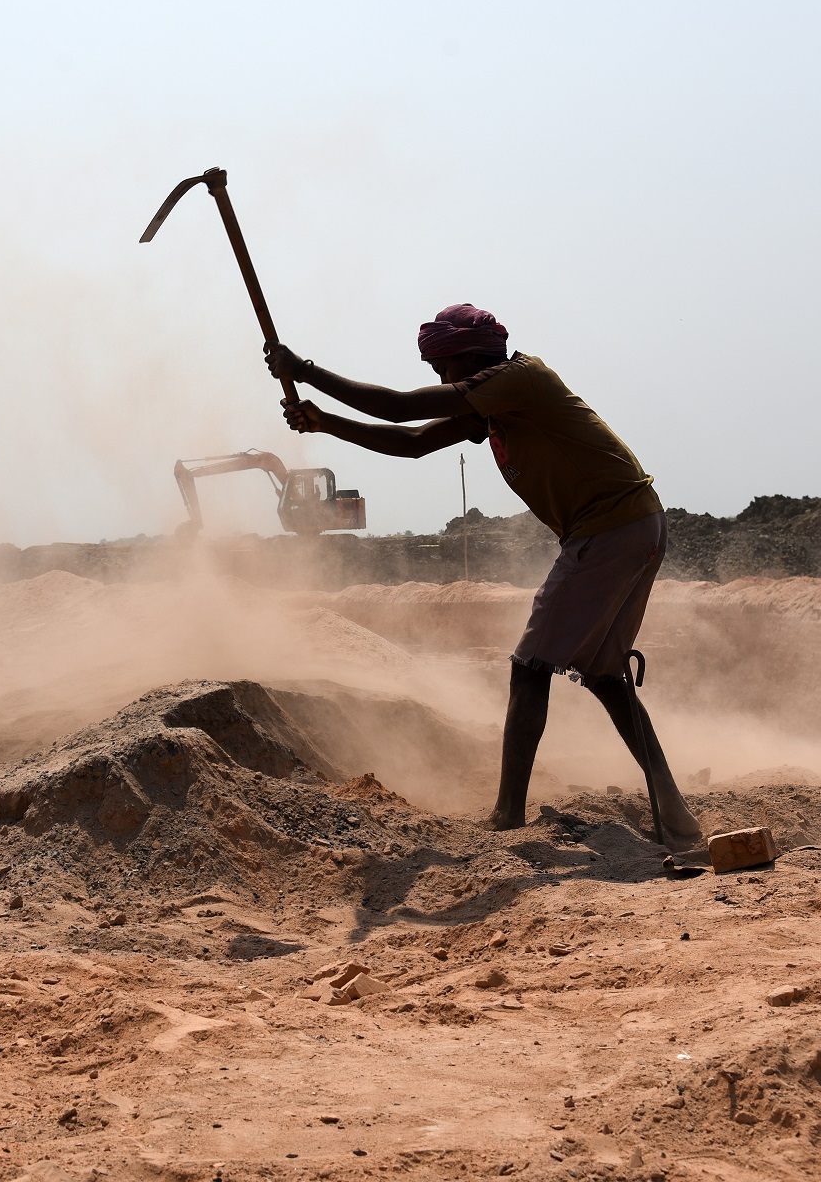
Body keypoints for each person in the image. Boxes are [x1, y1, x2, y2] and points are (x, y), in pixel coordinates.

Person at [266, 303, 700, 837]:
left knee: (529, 666)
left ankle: (508, 815)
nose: (440, 381)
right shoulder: (498, 402)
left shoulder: (519, 379)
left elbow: (401, 409)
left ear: (465, 358)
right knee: (606, 676)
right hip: (636, 526)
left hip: (608, 530)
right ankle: (674, 812)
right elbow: (414, 443)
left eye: (440, 370)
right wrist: (326, 422)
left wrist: (305, 369)